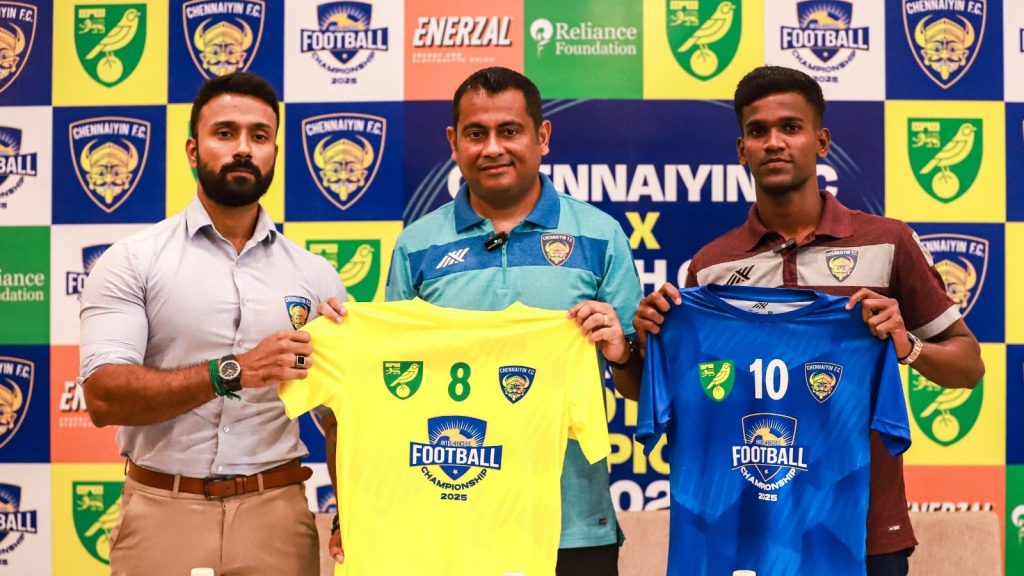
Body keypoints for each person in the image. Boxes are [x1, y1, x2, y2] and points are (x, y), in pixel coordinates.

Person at [628, 65, 985, 576]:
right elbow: (672, 396)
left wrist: (908, 347)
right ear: (741, 150)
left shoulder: (888, 241)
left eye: (790, 127)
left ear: (820, 142)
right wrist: (646, 345)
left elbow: (969, 366)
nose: (774, 142)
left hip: (862, 526)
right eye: (757, 131)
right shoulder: (708, 267)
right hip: (745, 527)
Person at [318, 66, 643, 575]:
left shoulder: (601, 236)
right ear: (453, 142)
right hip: (448, 522)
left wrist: (622, 350)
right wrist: (346, 338)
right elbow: (390, 389)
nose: (493, 148)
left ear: (542, 137)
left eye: (509, 131)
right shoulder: (417, 245)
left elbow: (638, 389)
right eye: (476, 133)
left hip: (571, 524)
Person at [80, 72, 346, 576]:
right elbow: (103, 397)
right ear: (192, 149)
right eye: (225, 133)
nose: (243, 148)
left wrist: (351, 511)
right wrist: (235, 370)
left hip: (277, 514)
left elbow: (340, 418)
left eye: (260, 136)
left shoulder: (316, 276)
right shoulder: (132, 261)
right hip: (162, 512)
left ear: (273, 151)